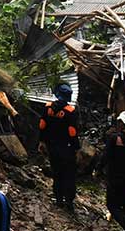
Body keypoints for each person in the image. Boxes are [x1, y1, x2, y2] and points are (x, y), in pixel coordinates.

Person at [38, 83, 80, 212]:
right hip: (67, 148)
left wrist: (41, 142)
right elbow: (72, 132)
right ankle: (69, 202)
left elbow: (42, 125)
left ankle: (59, 200)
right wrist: (77, 148)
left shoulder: (48, 107)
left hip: (52, 147)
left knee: (57, 173)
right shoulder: (70, 111)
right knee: (69, 175)